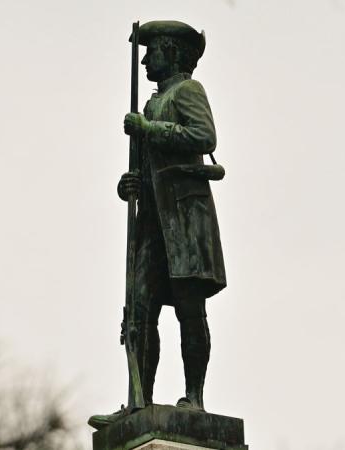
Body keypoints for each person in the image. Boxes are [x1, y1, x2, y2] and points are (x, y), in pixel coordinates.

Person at [90, 20, 227, 430]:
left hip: (184, 219)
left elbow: (204, 137)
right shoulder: (151, 103)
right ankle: (138, 400)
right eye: (145, 52)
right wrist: (128, 183)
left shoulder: (187, 91)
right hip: (151, 219)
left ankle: (195, 399)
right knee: (139, 309)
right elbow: (145, 166)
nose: (147, 58)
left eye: (154, 51)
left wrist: (150, 129)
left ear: (173, 51)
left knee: (189, 309)